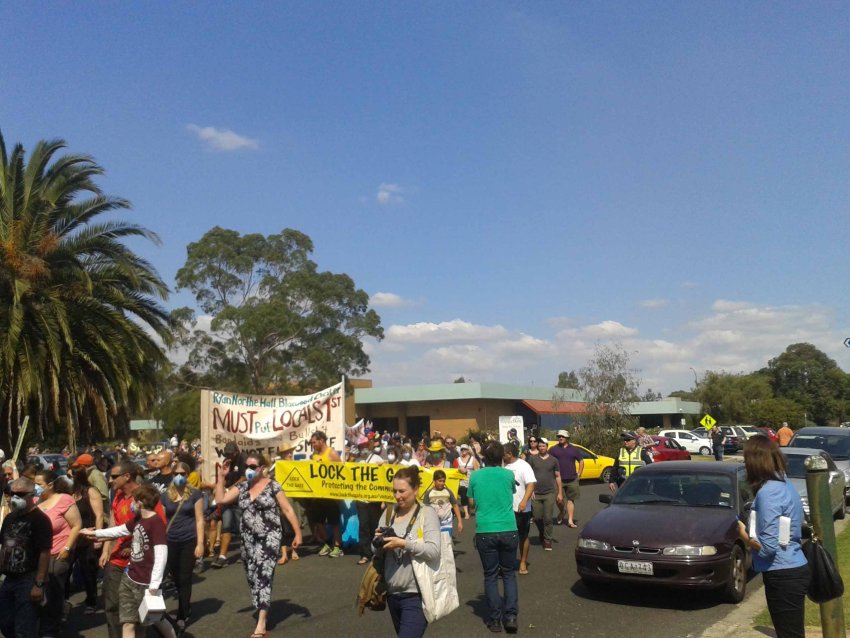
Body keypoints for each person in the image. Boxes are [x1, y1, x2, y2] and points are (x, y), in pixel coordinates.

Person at [215, 453, 302, 638]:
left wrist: (298, 533)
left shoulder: (273, 486)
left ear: (262, 468)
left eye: (253, 466)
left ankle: (261, 623)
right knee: (252, 575)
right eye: (246, 466)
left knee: (264, 573)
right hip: (247, 539)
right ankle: (261, 603)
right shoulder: (242, 487)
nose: (249, 469)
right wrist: (221, 478)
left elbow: (287, 509)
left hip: (269, 537)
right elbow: (221, 499)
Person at [83, 484, 176, 638]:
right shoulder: (138, 519)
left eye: (134, 501)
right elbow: (120, 530)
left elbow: (161, 554)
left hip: (145, 583)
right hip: (130, 578)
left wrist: (154, 585)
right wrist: (95, 534)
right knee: (127, 622)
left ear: (140, 503)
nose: (131, 504)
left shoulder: (156, 522)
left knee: (155, 619)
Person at [738, 436, 809, 638]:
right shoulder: (785, 484)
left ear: (754, 462)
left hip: (783, 572)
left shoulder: (769, 492)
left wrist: (742, 533)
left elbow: (768, 547)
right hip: (792, 567)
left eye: (746, 460)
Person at [373, 466, 441, 638]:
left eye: (402, 491)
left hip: (416, 594)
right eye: (394, 491)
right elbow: (374, 550)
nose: (397, 496)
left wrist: (403, 544)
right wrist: (378, 542)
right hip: (392, 593)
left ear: (416, 489)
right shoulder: (389, 512)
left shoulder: (427, 514)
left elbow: (434, 551)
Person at [100, 461, 166, 638]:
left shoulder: (146, 496)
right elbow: (115, 524)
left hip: (140, 565)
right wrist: (106, 549)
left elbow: (158, 529)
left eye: (114, 476)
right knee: (112, 605)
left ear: (126, 476)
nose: (110, 480)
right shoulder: (117, 496)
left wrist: (133, 546)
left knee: (142, 610)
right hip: (116, 560)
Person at [468, 441, 518, 634]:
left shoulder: (476, 476)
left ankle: (495, 619)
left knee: (490, 575)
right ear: (501, 457)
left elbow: (471, 504)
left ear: (485, 458)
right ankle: (511, 616)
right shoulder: (508, 475)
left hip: (485, 529)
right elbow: (512, 492)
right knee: (508, 574)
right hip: (508, 527)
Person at [0, 478, 52, 638]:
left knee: (24, 627)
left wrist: (39, 583)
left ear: (31, 495)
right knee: (6, 623)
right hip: (9, 578)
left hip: (28, 578)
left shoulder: (40, 520)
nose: (15, 497)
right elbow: (4, 546)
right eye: (12, 493)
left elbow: (45, 552)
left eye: (20, 494)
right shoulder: (9, 519)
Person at [35, 469, 81, 637]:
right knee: (41, 592)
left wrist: (67, 548)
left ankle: (51, 629)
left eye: (39, 484)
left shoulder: (64, 499)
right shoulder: (35, 501)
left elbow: (76, 525)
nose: (36, 487)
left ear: (50, 485)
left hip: (59, 553)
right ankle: (55, 615)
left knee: (52, 592)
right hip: (40, 555)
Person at [161, 461, 204, 633]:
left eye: (183, 474)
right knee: (175, 577)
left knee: (185, 577)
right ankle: (185, 604)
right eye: (176, 473)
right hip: (170, 540)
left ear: (188, 476)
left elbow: (200, 519)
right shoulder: (165, 496)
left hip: (189, 539)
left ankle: (182, 613)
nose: (179, 476)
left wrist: (200, 543)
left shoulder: (195, 494)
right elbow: (162, 520)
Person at [67, 465, 105, 615]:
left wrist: (98, 537)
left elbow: (99, 516)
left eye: (70, 476)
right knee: (67, 568)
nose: (68, 479)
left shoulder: (91, 491)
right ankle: (63, 600)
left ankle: (92, 600)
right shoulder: (70, 493)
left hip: (88, 536)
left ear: (78, 477)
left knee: (88, 571)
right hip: (72, 537)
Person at [307, 431, 344, 558]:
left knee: (334, 521)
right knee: (318, 521)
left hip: (330, 495)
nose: (313, 445)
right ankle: (327, 543)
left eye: (314, 442)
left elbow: (342, 472)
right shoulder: (314, 455)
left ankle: (338, 546)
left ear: (321, 440)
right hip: (318, 495)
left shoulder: (332, 453)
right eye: (312, 443)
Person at [502, 442, 535, 575]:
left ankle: (523, 561)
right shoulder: (502, 466)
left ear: (509, 454)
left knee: (522, 536)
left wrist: (524, 501)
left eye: (503, 454)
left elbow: (531, 484)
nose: (501, 456)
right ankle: (506, 563)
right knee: (506, 537)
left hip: (521, 509)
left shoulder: (523, 465)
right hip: (505, 509)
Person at [212, 441, 246, 568]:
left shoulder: (243, 458)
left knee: (242, 526)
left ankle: (245, 552)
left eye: (231, 454)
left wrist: (230, 489)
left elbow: (244, 478)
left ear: (236, 452)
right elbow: (224, 477)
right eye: (227, 454)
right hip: (227, 499)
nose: (229, 456)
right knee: (226, 526)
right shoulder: (227, 461)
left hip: (238, 497)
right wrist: (219, 486)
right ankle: (222, 556)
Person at [527, 438, 562, 551]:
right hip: (535, 493)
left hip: (549, 493)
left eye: (544, 446)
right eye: (540, 446)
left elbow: (557, 476)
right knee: (536, 517)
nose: (542, 448)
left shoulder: (554, 460)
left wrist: (560, 492)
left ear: (547, 446)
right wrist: (530, 490)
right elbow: (528, 475)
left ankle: (547, 540)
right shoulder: (532, 459)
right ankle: (542, 532)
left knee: (548, 518)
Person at [356, 439, 386, 565]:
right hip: (361, 498)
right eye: (361, 447)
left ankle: (377, 553)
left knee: (375, 526)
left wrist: (383, 499)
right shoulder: (357, 461)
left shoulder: (377, 458)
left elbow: (384, 478)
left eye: (365, 446)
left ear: (369, 446)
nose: (363, 449)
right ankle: (365, 554)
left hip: (374, 499)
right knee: (363, 526)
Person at [548, 430, 583, 527]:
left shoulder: (574, 449)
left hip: (572, 479)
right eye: (559, 436)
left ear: (567, 438)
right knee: (559, 500)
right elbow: (548, 460)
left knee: (571, 499)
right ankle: (562, 511)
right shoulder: (553, 449)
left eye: (563, 436)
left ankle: (570, 521)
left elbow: (581, 461)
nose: (560, 438)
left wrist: (579, 474)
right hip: (558, 479)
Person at [422, 470, 463, 538]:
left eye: (443, 481)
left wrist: (460, 522)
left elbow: (455, 505)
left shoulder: (448, 492)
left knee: (446, 543)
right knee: (435, 543)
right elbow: (424, 509)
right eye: (440, 481)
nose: (442, 483)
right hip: (433, 522)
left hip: (446, 522)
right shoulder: (429, 493)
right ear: (434, 481)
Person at [453, 443, 479, 519]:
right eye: (462, 449)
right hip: (462, 481)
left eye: (465, 449)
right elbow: (454, 470)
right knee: (464, 496)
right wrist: (459, 469)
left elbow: (476, 470)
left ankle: (471, 508)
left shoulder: (472, 459)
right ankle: (466, 513)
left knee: (472, 501)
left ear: (468, 450)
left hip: (471, 480)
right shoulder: (458, 459)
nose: (463, 451)